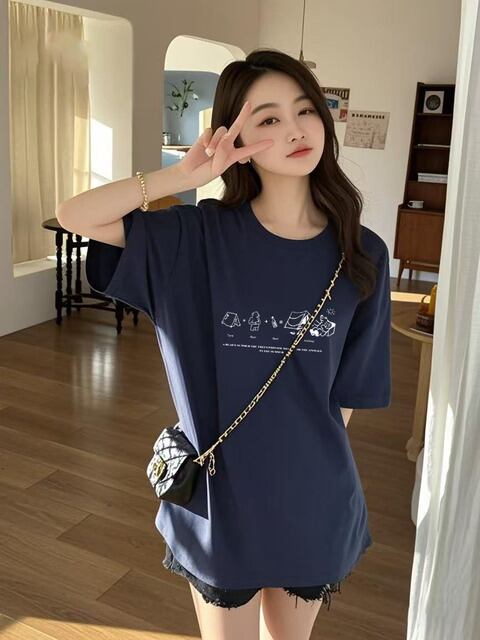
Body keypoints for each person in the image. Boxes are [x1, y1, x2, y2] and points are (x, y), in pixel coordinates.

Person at [57, 48, 392, 640]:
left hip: (313, 496)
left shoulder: (361, 252)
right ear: (235, 139)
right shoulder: (195, 238)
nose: (295, 130)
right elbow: (75, 215)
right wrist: (182, 179)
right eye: (268, 119)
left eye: (305, 110)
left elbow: (345, 397)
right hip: (219, 498)